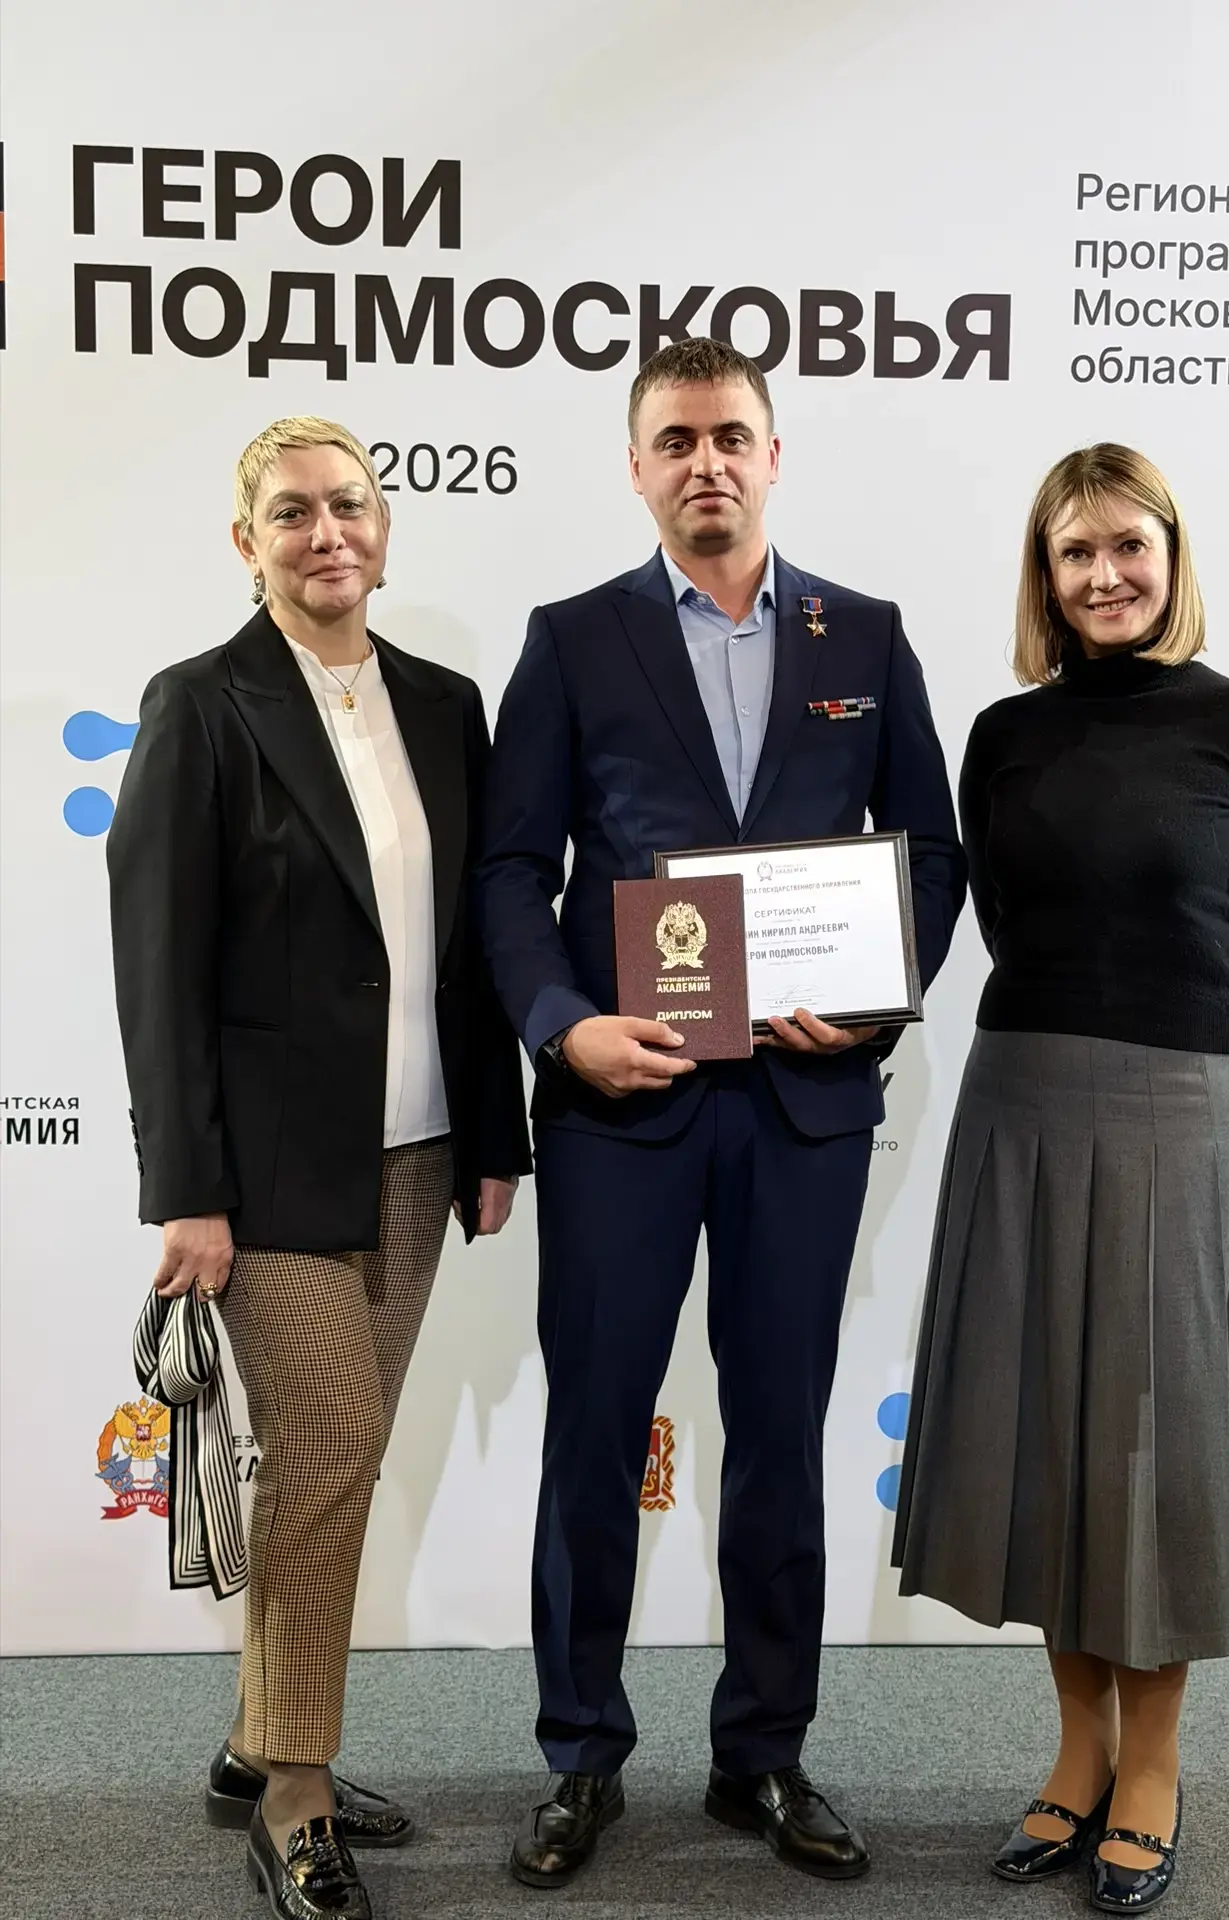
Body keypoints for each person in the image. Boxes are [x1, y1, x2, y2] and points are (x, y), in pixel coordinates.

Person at [478, 338, 965, 1887]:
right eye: (677, 438)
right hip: (622, 1107)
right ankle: (580, 1756)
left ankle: (764, 1752)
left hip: (805, 1110)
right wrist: (564, 1024)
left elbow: (930, 852)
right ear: (637, 466)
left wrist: (876, 1000)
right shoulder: (573, 640)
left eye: (731, 435)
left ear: (773, 454)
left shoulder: (865, 635)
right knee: (594, 1438)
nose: (707, 462)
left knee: (778, 1438)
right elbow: (512, 871)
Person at [893, 443, 1229, 1913]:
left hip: (1184, 1108)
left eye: (1127, 546)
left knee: (1155, 1443)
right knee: (1048, 1428)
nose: (1104, 576)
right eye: (1075, 552)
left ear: (1171, 554)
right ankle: (1076, 1750)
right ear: (1045, 573)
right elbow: (995, 917)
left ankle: (1152, 1762)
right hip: (1021, 1094)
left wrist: (1208, 1081)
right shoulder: (1002, 735)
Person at [107, 416, 530, 1920]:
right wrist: (188, 1190)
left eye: (349, 505)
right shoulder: (199, 705)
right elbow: (159, 968)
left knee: (328, 1465)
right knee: (329, 1451)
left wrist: (496, 1133)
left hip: (417, 1159)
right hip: (271, 1175)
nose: (326, 533)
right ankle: (296, 1785)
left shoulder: (446, 706)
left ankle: (257, 1740)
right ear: (249, 543)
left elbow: (474, 945)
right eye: (291, 513)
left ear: (386, 527)